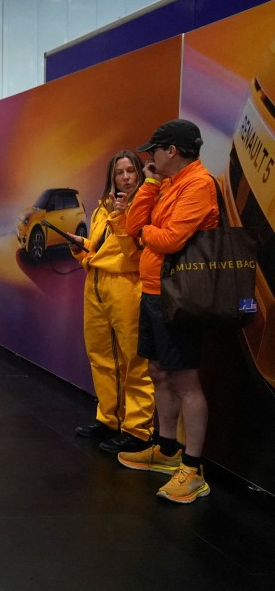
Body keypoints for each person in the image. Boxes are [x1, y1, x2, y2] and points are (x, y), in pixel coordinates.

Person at [118, 119, 219, 504]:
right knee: (159, 372)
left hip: (179, 297)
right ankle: (166, 450)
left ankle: (193, 469)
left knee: (185, 381)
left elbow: (169, 238)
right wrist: (150, 184)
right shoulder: (168, 183)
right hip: (154, 292)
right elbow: (132, 224)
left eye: (154, 151)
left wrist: (145, 233)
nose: (151, 157)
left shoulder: (199, 184)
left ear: (171, 151)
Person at [69, 150, 154, 453]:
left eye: (131, 170)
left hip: (127, 284)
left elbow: (136, 251)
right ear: (112, 176)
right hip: (95, 283)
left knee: (133, 359)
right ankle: (108, 418)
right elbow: (101, 248)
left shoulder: (145, 206)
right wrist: (82, 248)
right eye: (120, 172)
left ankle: (138, 428)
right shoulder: (102, 207)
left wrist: (125, 215)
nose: (127, 177)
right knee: (100, 356)